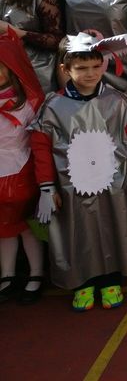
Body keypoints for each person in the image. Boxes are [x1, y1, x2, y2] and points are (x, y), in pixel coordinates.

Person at [30, 32, 127, 312]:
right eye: (81, 68)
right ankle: (83, 282)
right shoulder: (53, 106)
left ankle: (110, 279)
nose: (90, 73)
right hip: (71, 186)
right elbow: (41, 146)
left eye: (95, 66)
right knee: (78, 231)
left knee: (113, 226)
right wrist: (46, 187)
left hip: (113, 183)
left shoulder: (116, 101)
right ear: (65, 69)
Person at [0, 30, 46, 305]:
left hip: (22, 170)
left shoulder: (29, 104)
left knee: (28, 224)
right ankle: (7, 274)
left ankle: (36, 272)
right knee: (4, 227)